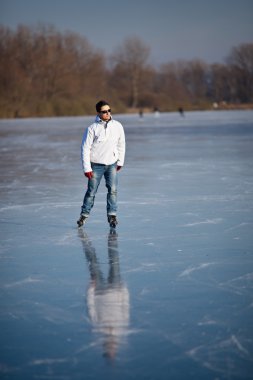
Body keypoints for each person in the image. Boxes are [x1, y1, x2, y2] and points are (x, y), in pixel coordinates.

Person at [77, 100, 125, 228]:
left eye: (109, 111)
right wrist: (87, 168)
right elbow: (85, 148)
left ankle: (112, 215)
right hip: (96, 166)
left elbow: (121, 144)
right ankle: (84, 215)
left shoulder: (117, 126)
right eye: (104, 112)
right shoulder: (92, 128)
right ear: (98, 113)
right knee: (91, 192)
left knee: (113, 190)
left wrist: (120, 161)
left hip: (112, 164)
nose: (108, 113)